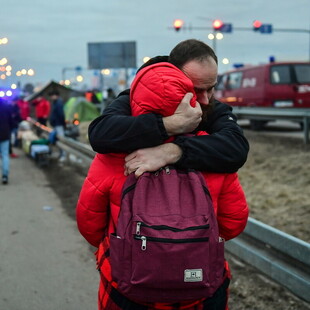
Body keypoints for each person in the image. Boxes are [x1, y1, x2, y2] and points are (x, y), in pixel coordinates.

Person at [77, 41, 249, 310]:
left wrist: (173, 151)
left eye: (212, 87)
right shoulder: (127, 105)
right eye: (197, 89)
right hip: (201, 285)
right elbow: (232, 222)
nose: (205, 100)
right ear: (172, 78)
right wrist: (168, 125)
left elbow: (90, 222)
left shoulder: (211, 111)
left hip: (126, 287)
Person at [48, 90, 66, 161]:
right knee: (58, 139)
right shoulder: (55, 103)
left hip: (59, 124)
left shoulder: (58, 103)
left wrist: (63, 123)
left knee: (61, 139)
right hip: (56, 124)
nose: (51, 97)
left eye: (52, 95)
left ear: (56, 95)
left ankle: (63, 155)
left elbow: (61, 115)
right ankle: (61, 153)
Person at [0, 98, 14, 184]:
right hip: (4, 134)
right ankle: (5, 176)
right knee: (5, 155)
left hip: (5, 133)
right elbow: (11, 121)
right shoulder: (6, 107)